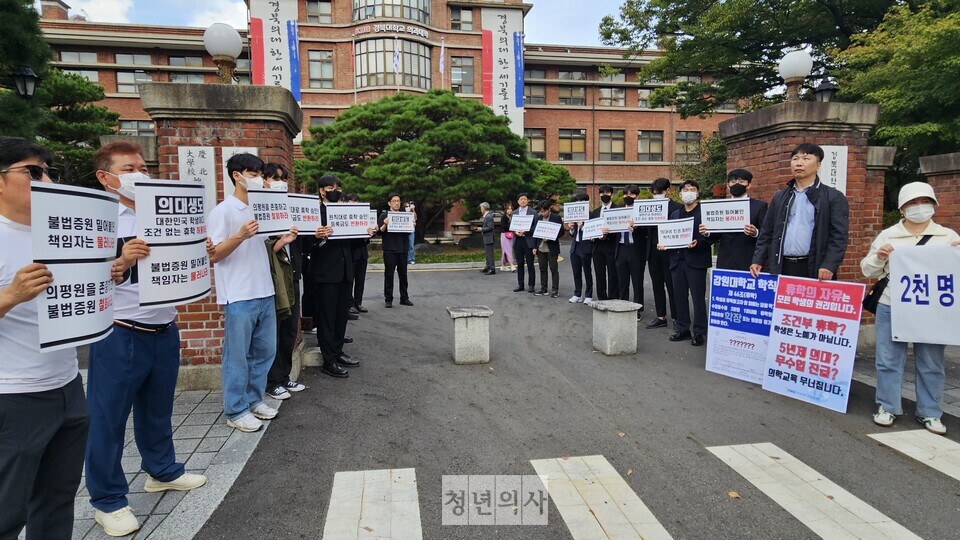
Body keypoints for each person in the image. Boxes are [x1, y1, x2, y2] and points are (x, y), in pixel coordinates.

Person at [85, 142, 206, 536]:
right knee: (108, 419)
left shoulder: (163, 213)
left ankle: (162, 470)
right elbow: (78, 281)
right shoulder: (95, 219)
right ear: (106, 177)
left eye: (143, 166)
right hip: (120, 332)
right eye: (129, 168)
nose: (141, 173)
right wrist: (121, 262)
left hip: (163, 328)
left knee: (157, 410)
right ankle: (108, 499)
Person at [0, 137, 88, 540]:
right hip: (14, 396)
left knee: (57, 499)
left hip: (67, 384)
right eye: (33, 171)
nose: (46, 179)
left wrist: (115, 269)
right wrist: (10, 296)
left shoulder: (62, 229)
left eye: (48, 171)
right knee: (6, 509)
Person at [861, 182, 960, 435]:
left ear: (934, 205)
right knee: (888, 359)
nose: (919, 208)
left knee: (931, 362)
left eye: (924, 202)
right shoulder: (888, 235)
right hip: (892, 305)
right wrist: (879, 257)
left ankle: (930, 412)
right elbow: (867, 270)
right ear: (902, 208)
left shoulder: (948, 237)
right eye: (912, 203)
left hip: (932, 309)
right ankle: (887, 406)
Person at [207, 153, 279, 433]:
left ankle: (253, 399)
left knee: (264, 351)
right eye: (253, 174)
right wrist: (239, 235)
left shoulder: (261, 209)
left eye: (261, 174)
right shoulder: (223, 211)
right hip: (238, 294)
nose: (259, 179)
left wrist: (286, 236)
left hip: (264, 290)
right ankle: (235, 409)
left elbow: (266, 247)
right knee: (237, 355)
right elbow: (213, 255)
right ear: (237, 175)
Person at [750, 143, 849, 280]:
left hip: (814, 267)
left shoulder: (833, 197)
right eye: (795, 159)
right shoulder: (780, 197)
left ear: (818, 165)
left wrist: (829, 264)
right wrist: (758, 260)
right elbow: (767, 232)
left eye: (806, 159)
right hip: (782, 265)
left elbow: (838, 236)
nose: (799, 163)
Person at [307, 175, 364, 378]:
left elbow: (353, 243)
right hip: (325, 272)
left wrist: (366, 233)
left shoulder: (345, 211)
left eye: (338, 187)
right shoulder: (314, 211)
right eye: (331, 187)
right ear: (322, 190)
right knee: (327, 318)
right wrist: (319, 236)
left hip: (345, 271)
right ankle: (328, 360)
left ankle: (338, 352)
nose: (336, 190)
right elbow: (307, 244)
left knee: (341, 316)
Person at [263, 164, 307, 401]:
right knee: (275, 330)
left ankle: (283, 376)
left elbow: (304, 241)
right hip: (273, 277)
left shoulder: (292, 206)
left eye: (283, 179)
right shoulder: (260, 209)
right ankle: (271, 380)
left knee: (290, 328)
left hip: (292, 275)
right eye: (274, 178)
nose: (280, 183)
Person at [660, 180, 712, 346]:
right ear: (680, 193)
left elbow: (711, 236)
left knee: (697, 298)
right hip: (677, 261)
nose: (688, 192)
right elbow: (670, 235)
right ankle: (682, 329)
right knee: (679, 297)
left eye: (692, 189)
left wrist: (699, 241)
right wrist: (664, 244)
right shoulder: (675, 214)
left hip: (696, 261)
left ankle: (699, 332)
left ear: (697, 192)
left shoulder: (705, 212)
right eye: (685, 190)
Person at [700, 169, 768, 271]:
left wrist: (755, 232)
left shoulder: (759, 207)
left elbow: (766, 234)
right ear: (728, 185)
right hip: (725, 260)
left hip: (748, 261)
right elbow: (716, 235)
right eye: (733, 181)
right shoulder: (721, 207)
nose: (737, 184)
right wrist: (707, 232)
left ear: (748, 185)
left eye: (741, 182)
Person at [646, 178, 680, 329]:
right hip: (653, 250)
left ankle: (676, 316)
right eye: (654, 193)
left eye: (660, 192)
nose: (657, 195)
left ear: (668, 190)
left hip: (670, 251)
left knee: (672, 285)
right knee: (657, 284)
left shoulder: (677, 208)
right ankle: (661, 316)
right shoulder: (647, 207)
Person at [616, 184, 648, 319]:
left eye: (632, 194)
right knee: (622, 282)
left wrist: (637, 227)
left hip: (636, 249)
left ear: (637, 196)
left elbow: (648, 230)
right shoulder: (617, 212)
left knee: (637, 282)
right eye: (626, 194)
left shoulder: (642, 212)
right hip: (621, 248)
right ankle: (623, 307)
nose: (628, 197)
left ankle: (637, 309)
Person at [380, 193, 414, 307]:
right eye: (394, 201)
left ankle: (404, 298)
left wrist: (412, 224)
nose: (397, 203)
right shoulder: (384, 215)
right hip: (389, 250)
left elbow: (409, 231)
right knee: (389, 275)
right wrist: (385, 224)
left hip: (402, 249)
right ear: (389, 203)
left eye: (398, 201)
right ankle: (388, 299)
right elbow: (380, 231)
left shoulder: (405, 215)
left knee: (403, 275)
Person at [590, 184, 619, 300]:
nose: (604, 195)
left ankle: (613, 298)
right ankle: (602, 298)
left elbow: (619, 229)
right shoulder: (595, 212)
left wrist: (609, 232)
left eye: (607, 193)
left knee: (613, 274)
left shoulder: (618, 210)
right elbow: (590, 228)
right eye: (602, 193)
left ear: (611, 194)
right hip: (597, 247)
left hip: (611, 246)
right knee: (599, 274)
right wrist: (591, 236)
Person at [345, 193, 370, 314]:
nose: (353, 203)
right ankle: (349, 304)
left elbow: (367, 236)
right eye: (351, 201)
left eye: (355, 201)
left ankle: (358, 303)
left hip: (362, 253)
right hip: (351, 253)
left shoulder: (362, 216)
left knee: (361, 280)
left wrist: (368, 236)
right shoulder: (345, 217)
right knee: (350, 280)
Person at [566, 192, 593, 304]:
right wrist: (571, 228)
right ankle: (577, 294)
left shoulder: (590, 215)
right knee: (576, 271)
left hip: (586, 247)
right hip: (575, 247)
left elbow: (592, 231)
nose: (578, 203)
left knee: (587, 271)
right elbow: (573, 233)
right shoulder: (574, 215)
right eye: (577, 201)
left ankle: (589, 295)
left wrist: (582, 226)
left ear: (586, 202)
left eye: (581, 201)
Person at [532, 199, 563, 297]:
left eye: (544, 211)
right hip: (540, 248)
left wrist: (550, 237)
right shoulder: (538, 218)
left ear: (548, 209)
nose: (542, 213)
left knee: (553, 269)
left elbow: (561, 231)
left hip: (551, 248)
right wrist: (534, 246)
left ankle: (555, 290)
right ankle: (543, 288)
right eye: (540, 211)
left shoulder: (556, 217)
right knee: (542, 269)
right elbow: (535, 233)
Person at [511, 193, 537, 293]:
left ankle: (531, 285)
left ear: (528, 201)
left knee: (530, 264)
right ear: (518, 201)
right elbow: (512, 226)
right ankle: (520, 284)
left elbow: (535, 226)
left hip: (528, 240)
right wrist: (515, 232)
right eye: (521, 199)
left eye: (525, 199)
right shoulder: (514, 213)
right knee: (520, 264)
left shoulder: (533, 212)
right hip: (518, 241)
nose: (523, 201)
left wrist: (527, 231)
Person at [476, 202, 496, 275]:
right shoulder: (487, 216)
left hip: (489, 238)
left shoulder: (488, 216)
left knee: (490, 254)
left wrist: (481, 229)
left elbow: (490, 227)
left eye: (481, 208)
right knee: (487, 254)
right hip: (487, 237)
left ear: (484, 208)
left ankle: (492, 269)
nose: (480, 209)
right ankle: (488, 267)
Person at [499, 201, 517, 272]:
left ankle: (503, 265)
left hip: (510, 235)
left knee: (505, 251)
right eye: (508, 209)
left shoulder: (511, 217)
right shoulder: (504, 217)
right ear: (505, 210)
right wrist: (511, 226)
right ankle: (512, 265)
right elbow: (503, 226)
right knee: (508, 250)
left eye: (511, 209)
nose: (510, 210)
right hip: (504, 235)